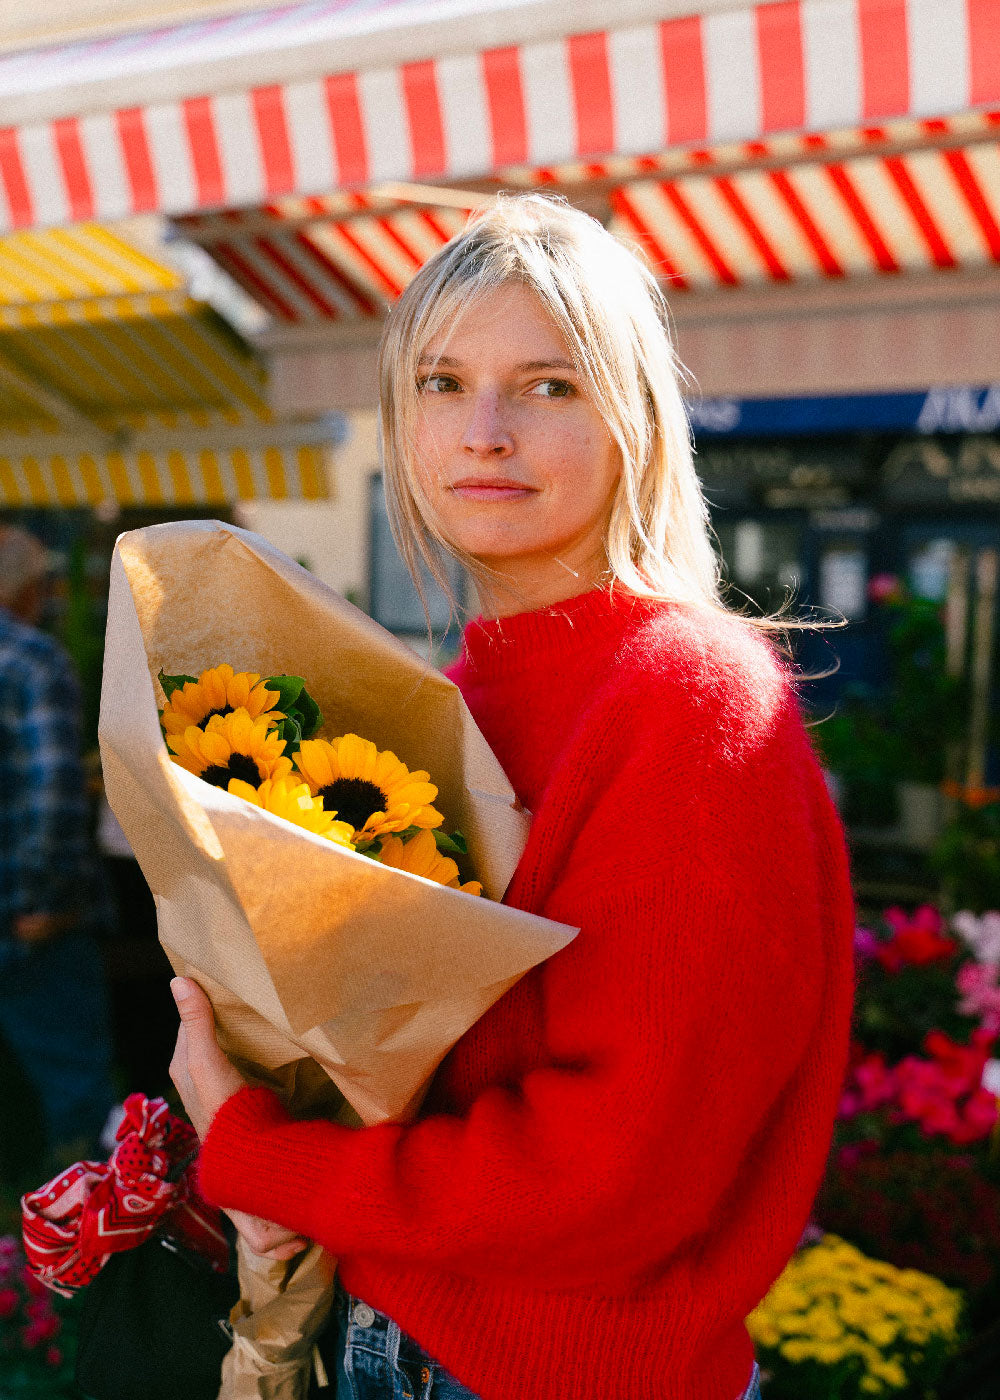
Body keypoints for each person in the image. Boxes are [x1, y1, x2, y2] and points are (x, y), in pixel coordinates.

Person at [169, 195, 855, 1400]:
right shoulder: (438, 696)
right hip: (398, 1335)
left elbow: (617, 1174)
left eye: (547, 385)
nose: (483, 431)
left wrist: (271, 1158)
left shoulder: (687, 698)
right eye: (441, 382)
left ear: (633, 416)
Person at [0, 525, 116, 1167]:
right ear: (27, 589)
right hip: (25, 916)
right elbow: (54, 793)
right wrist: (48, 902)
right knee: (75, 1094)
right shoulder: (32, 660)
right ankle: (83, 1243)